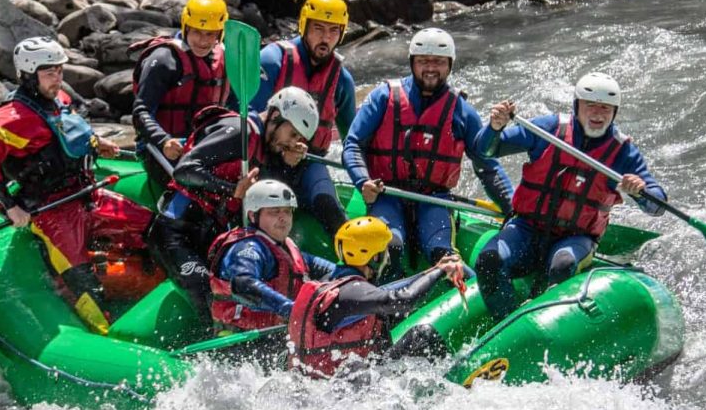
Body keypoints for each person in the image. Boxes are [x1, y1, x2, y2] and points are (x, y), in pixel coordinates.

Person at [0, 37, 153, 335]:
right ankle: (107, 337)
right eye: (49, 73)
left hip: (88, 196)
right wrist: (10, 205)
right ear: (29, 76)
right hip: (52, 212)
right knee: (83, 283)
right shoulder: (12, 118)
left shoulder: (59, 99)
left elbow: (72, 133)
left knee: (156, 229)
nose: (58, 79)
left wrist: (96, 142)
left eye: (60, 71)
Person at [474, 72, 668, 321]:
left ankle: (549, 325)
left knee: (562, 265)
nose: (598, 114)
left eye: (605, 108)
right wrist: (495, 127)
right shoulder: (548, 129)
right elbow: (485, 150)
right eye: (591, 106)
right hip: (527, 227)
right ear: (577, 106)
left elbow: (657, 206)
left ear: (614, 112)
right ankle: (504, 322)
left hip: (576, 238)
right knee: (489, 261)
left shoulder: (623, 153)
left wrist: (641, 192)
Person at [342, 28, 514, 277]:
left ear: (450, 65)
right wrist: (362, 180)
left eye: (438, 62)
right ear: (413, 62)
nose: (431, 68)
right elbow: (353, 144)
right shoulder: (383, 97)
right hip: (386, 194)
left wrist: (512, 209)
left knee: (442, 255)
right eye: (423, 61)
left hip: (433, 199)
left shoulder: (462, 111)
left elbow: (487, 166)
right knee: (391, 246)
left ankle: (484, 297)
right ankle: (390, 312)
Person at [145, 87, 319, 321]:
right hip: (175, 232)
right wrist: (230, 190)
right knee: (209, 292)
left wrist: (287, 165)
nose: (293, 143)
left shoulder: (265, 147)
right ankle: (213, 352)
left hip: (209, 237)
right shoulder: (239, 131)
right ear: (276, 117)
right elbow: (184, 170)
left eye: (299, 139)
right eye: (293, 134)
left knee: (237, 289)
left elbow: (263, 196)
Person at [287, 216, 466, 378]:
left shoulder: (337, 283)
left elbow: (387, 290)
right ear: (374, 257)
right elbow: (404, 300)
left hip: (334, 383)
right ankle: (458, 383)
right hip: (346, 389)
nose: (388, 260)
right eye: (385, 253)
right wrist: (441, 271)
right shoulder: (351, 291)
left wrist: (433, 271)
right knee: (423, 336)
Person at [250, 0, 356, 238]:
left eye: (333, 31)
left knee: (330, 209)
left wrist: (366, 179)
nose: (325, 38)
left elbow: (352, 142)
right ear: (304, 26)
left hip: (310, 163)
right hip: (265, 160)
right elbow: (248, 122)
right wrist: (280, 151)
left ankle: (353, 269)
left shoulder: (342, 81)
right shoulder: (272, 61)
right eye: (318, 29)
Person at [207, 180, 346, 334]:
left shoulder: (286, 248)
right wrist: (291, 309)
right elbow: (243, 283)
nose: (283, 218)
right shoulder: (247, 248)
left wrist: (357, 279)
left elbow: (331, 271)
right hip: (241, 336)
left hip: (276, 332)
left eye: (287, 211)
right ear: (253, 215)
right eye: (274, 211)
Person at [131, 0, 231, 188]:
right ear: (185, 27)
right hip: (160, 149)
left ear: (220, 33)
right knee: (196, 185)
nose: (203, 41)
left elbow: (234, 109)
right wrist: (164, 141)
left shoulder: (226, 60)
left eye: (210, 34)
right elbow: (140, 112)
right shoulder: (164, 59)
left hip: (203, 147)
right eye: (196, 32)